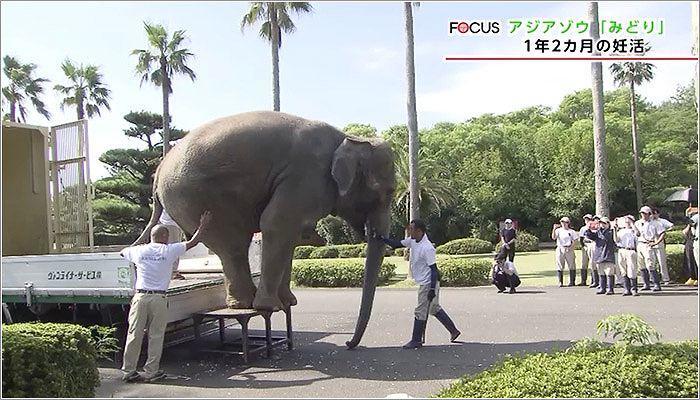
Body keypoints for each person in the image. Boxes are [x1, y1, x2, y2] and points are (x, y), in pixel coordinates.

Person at [120, 210, 212, 383]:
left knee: (134, 333)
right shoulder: (169, 250)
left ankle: (129, 370)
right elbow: (193, 242)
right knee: (155, 335)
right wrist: (203, 225)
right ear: (166, 237)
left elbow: (123, 252)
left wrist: (140, 243)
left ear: (152, 236)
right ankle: (151, 371)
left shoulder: (139, 252)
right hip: (159, 298)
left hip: (140, 297)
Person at [377, 220, 461, 349]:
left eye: (411, 229)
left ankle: (416, 340)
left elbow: (434, 270)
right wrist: (382, 239)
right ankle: (454, 331)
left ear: (419, 231)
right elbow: (396, 244)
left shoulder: (427, 248)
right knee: (434, 308)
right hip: (426, 281)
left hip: (428, 282)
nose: (409, 231)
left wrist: (432, 289)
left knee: (420, 311)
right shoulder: (412, 241)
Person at [584, 216, 617, 295]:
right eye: (601, 223)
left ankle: (610, 289)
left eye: (604, 223)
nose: (602, 225)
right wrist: (588, 229)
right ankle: (602, 288)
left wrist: (602, 230)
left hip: (608, 254)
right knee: (601, 272)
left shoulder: (611, 232)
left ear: (608, 224)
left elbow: (607, 238)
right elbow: (590, 236)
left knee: (609, 272)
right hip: (599, 254)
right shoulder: (598, 232)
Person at [635, 206, 664, 292]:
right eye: (642, 213)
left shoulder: (655, 223)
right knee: (641, 265)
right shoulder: (637, 223)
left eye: (645, 213)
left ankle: (656, 284)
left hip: (648, 244)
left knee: (650, 264)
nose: (643, 215)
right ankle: (646, 284)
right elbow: (636, 234)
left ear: (649, 214)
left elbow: (662, 233)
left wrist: (656, 242)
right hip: (640, 244)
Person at [613, 215, 640, 296]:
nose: (626, 222)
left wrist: (632, 224)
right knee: (623, 270)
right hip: (622, 250)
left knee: (632, 270)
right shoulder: (621, 231)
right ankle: (627, 288)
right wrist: (614, 229)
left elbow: (638, 234)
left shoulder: (633, 230)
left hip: (630, 250)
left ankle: (634, 288)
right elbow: (616, 240)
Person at [159, 208, 186, 280]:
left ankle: (169, 271)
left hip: (166, 222)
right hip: (172, 223)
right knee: (175, 247)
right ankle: (173, 272)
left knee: (167, 248)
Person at [551, 217, 578, 287]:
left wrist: (571, 248)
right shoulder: (558, 230)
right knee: (560, 265)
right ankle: (560, 282)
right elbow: (553, 237)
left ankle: (572, 281)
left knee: (571, 265)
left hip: (569, 248)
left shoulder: (571, 231)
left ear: (568, 223)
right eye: (562, 222)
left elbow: (575, 241)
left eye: (565, 222)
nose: (563, 224)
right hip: (560, 248)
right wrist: (554, 229)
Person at [651, 207, 674, 285]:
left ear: (658, 214)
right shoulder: (649, 222)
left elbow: (671, 225)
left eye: (655, 213)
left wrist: (666, 231)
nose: (654, 215)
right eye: (652, 213)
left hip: (660, 243)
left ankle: (665, 279)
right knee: (652, 263)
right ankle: (653, 278)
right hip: (650, 244)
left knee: (662, 261)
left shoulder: (662, 221)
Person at [579, 214, 596, 287]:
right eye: (586, 219)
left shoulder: (594, 227)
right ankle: (583, 281)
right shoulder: (583, 228)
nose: (587, 221)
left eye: (588, 219)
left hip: (591, 244)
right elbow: (581, 238)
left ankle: (594, 280)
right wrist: (583, 246)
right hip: (585, 245)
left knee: (593, 263)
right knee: (584, 263)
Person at [682, 211, 698, 286]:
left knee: (695, 261)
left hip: (694, 240)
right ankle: (692, 277)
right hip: (690, 241)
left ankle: (696, 277)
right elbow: (685, 232)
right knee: (689, 260)